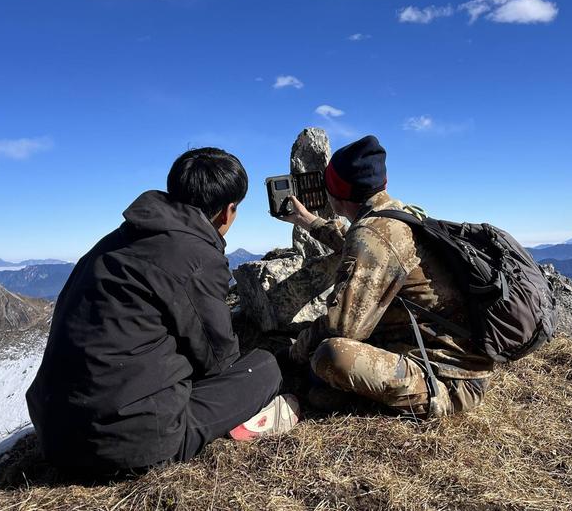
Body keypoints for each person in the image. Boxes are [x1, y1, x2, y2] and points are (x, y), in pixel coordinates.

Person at [26, 147, 299, 476]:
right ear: (227, 213)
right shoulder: (195, 255)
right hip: (126, 446)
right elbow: (219, 361)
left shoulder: (116, 241)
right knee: (266, 367)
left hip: (54, 433)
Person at [276, 135, 494, 418]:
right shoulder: (396, 215)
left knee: (331, 355)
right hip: (458, 360)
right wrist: (310, 222)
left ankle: (419, 396)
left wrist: (292, 354)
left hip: (448, 379)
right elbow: (364, 247)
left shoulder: (373, 232)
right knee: (325, 383)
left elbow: (340, 328)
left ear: (338, 193)